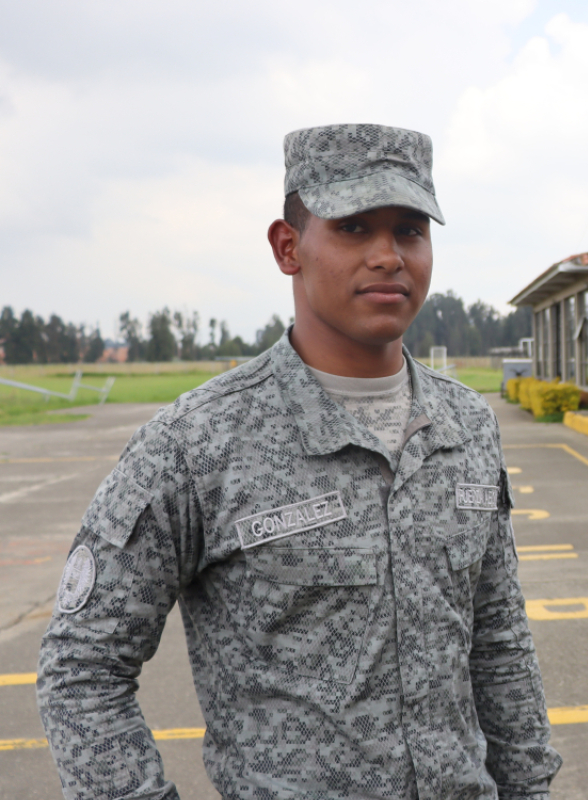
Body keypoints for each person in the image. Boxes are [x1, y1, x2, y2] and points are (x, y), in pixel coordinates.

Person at [37, 124, 561, 799]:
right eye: (352, 228)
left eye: (409, 230)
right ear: (289, 247)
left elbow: (498, 642)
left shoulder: (466, 427)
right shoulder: (198, 444)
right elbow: (83, 669)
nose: (387, 256)